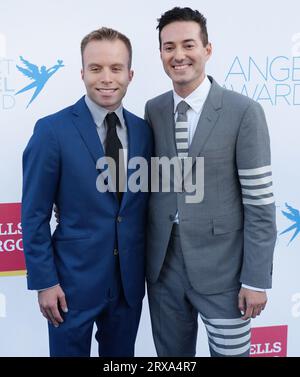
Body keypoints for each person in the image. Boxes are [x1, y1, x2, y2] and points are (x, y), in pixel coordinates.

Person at [145, 7, 277, 357]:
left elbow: (260, 204)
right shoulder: (153, 110)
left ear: (207, 49)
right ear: (160, 53)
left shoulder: (244, 112)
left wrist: (256, 280)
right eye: (168, 46)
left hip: (225, 275)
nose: (178, 55)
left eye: (188, 44)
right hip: (163, 272)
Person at [21, 27, 152, 357]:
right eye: (96, 68)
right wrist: (45, 282)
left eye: (116, 68)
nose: (106, 78)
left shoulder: (144, 131)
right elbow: (34, 215)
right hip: (70, 286)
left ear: (130, 74)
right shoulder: (52, 130)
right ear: (82, 73)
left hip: (128, 286)